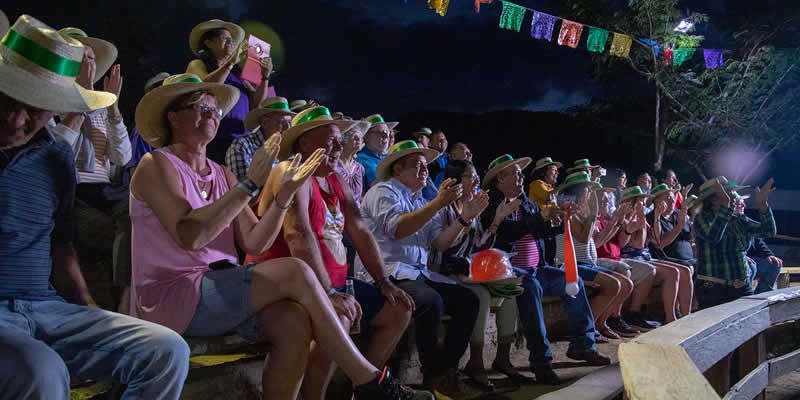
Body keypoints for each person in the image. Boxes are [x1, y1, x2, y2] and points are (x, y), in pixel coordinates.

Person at [130, 74, 430, 400]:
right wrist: (250, 186)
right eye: (200, 107)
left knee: (294, 322)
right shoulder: (155, 164)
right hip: (172, 295)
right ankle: (370, 381)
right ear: (173, 117)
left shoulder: (222, 173)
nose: (212, 114)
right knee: (296, 271)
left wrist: (283, 197)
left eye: (215, 109)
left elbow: (255, 241)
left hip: (218, 289)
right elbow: (190, 236)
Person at [0, 15, 189, 399]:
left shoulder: (55, 157)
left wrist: (88, 308)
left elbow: (62, 245)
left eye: (35, 107)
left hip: (45, 308)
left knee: (166, 350)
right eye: (7, 99)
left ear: (55, 107)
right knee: (42, 369)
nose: (16, 119)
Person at [245, 106, 418, 400]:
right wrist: (327, 293)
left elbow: (360, 230)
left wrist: (383, 281)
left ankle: (365, 390)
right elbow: (298, 233)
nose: (340, 147)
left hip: (333, 284)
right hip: (292, 289)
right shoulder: (289, 172)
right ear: (304, 143)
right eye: (332, 140)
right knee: (338, 319)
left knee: (398, 309)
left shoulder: (334, 177)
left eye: (340, 140)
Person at [360, 140, 483, 398]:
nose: (424, 170)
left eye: (425, 166)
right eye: (416, 165)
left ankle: (446, 371)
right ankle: (433, 375)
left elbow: (439, 242)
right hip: (387, 273)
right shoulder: (383, 192)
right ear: (397, 170)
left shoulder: (420, 200)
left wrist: (464, 218)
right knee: (431, 301)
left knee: (468, 300)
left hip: (416, 273)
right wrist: (438, 204)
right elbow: (398, 228)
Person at [481, 155, 610, 380]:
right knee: (531, 287)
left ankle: (583, 345)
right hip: (507, 268)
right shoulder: (491, 202)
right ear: (500, 178)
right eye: (516, 173)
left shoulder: (526, 201)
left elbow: (540, 232)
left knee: (574, 281)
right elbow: (505, 234)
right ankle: (541, 361)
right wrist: (539, 218)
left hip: (536, 267)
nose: (522, 177)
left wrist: (561, 221)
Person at [430, 160, 522, 390]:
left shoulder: (473, 208)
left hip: (468, 271)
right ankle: (476, 362)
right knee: (479, 295)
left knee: (510, 292)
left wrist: (497, 220)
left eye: (476, 177)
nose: (476, 182)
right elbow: (443, 249)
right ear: (455, 182)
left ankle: (503, 357)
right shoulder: (443, 208)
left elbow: (479, 248)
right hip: (444, 273)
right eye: (470, 177)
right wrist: (466, 218)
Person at [50, 27, 131, 278]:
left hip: (106, 192)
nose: (89, 63)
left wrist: (114, 111)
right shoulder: (52, 105)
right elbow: (55, 152)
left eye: (92, 58)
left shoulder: (103, 108)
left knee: (145, 222)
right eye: (81, 57)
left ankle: (128, 295)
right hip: (75, 193)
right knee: (108, 235)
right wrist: (82, 99)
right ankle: (120, 295)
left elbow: (122, 158)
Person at [553, 173, 633, 341]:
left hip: (588, 263)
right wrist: (594, 213)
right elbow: (583, 237)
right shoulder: (566, 209)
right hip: (571, 265)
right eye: (589, 190)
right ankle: (585, 330)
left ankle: (600, 323)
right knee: (614, 285)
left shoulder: (582, 211)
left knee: (626, 284)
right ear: (580, 192)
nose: (591, 194)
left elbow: (593, 239)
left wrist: (613, 219)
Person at [186, 19, 272, 163]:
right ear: (208, 43)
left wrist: (265, 76)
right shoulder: (198, 64)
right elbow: (204, 88)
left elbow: (257, 105)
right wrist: (231, 63)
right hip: (216, 139)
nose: (231, 43)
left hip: (241, 142)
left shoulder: (237, 76)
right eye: (225, 38)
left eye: (232, 40)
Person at [694, 177, 776, 308]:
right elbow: (713, 236)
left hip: (741, 287)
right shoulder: (701, 219)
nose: (734, 197)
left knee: (749, 323)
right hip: (712, 289)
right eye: (728, 194)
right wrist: (726, 207)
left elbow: (768, 231)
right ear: (713, 200)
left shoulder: (738, 219)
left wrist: (763, 205)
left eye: (732, 194)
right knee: (717, 327)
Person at [617, 186, 685, 325]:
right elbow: (638, 245)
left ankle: (682, 314)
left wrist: (656, 217)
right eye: (640, 201)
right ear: (631, 203)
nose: (643, 204)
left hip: (645, 258)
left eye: (643, 201)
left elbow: (657, 240)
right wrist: (641, 222)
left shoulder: (642, 219)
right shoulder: (624, 219)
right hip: (632, 259)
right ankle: (640, 313)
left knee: (682, 270)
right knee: (672, 272)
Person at [594, 189, 655, 337]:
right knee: (624, 269)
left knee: (649, 270)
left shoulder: (611, 217)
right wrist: (617, 222)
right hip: (599, 259)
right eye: (602, 199)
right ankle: (614, 317)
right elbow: (596, 243)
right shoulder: (593, 219)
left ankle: (633, 313)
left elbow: (620, 244)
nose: (605, 202)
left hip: (616, 258)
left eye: (607, 200)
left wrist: (627, 230)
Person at [645, 184, 695, 318]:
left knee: (700, 265)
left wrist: (691, 215)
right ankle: (683, 315)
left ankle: (690, 311)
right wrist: (678, 227)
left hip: (687, 256)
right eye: (667, 198)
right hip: (664, 257)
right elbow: (660, 244)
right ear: (657, 201)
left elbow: (690, 236)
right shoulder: (652, 217)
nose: (672, 201)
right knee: (686, 269)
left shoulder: (677, 214)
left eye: (673, 198)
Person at [226, 96, 294, 180]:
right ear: (265, 123)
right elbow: (243, 189)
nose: (287, 127)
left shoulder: (287, 149)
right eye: (282, 122)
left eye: (289, 123)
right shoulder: (241, 146)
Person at [735, 192, 783, 294]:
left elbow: (759, 240)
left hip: (751, 260)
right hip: (735, 261)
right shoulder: (723, 222)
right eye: (740, 204)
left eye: (743, 203)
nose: (744, 205)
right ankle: (746, 298)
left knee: (774, 264)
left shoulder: (744, 221)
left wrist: (768, 254)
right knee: (749, 267)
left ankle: (760, 297)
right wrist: (741, 256)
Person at [528, 156, 563, 265]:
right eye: (553, 170)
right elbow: (548, 196)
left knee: (551, 256)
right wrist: (566, 184)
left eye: (557, 171)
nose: (557, 173)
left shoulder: (551, 188)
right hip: (541, 225)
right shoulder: (536, 184)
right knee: (545, 256)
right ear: (544, 172)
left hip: (551, 226)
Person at [335, 117, 371, 207]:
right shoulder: (334, 165)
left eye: (360, 137)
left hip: (356, 214)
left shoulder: (360, 168)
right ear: (344, 140)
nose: (359, 140)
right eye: (354, 137)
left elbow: (360, 196)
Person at [356, 114, 395, 189]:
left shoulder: (387, 157)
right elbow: (381, 186)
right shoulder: (362, 159)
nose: (386, 136)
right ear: (366, 137)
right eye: (381, 133)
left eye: (387, 132)